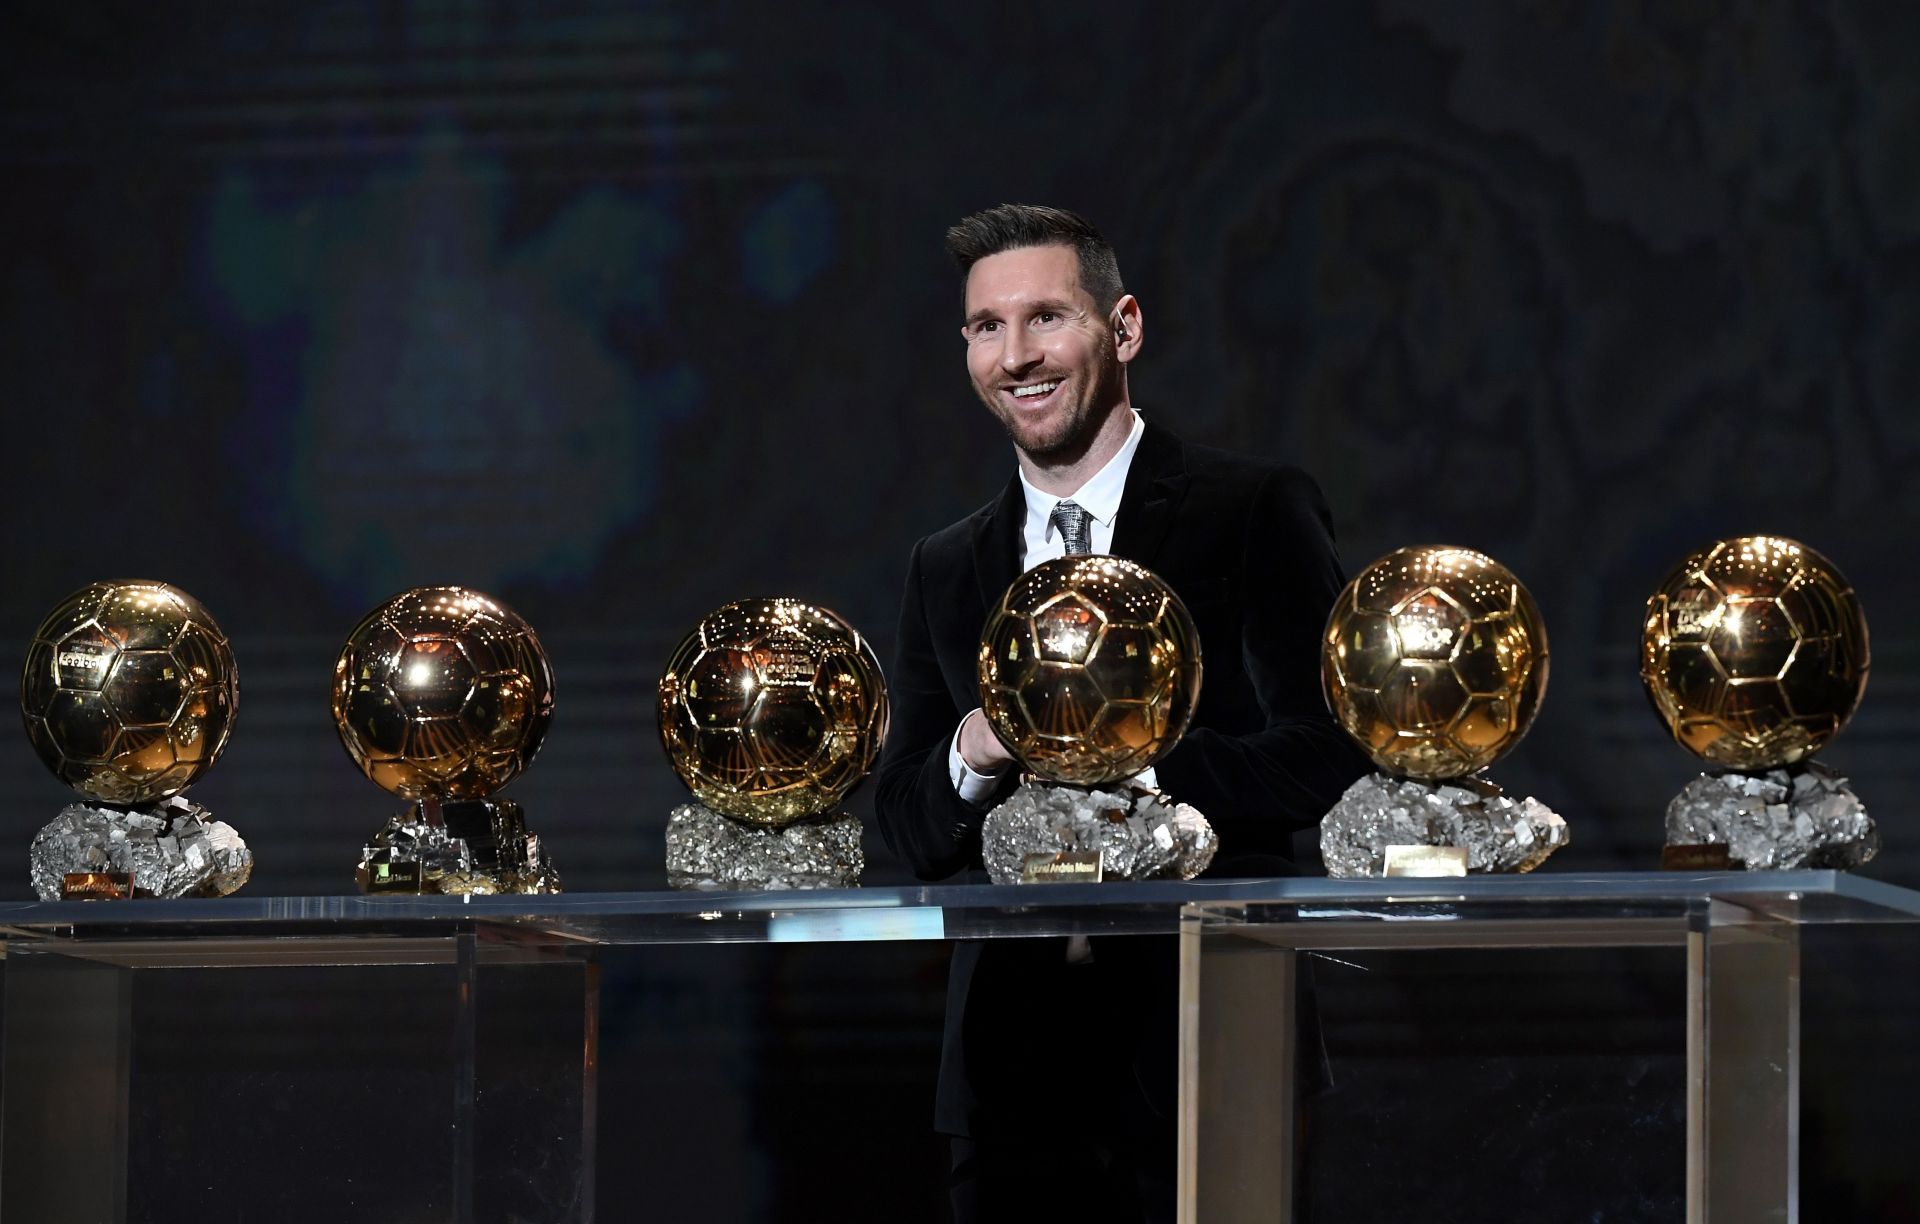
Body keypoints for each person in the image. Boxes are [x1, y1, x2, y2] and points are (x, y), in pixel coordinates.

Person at [872, 203, 1368, 1223]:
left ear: (1125, 328)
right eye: (986, 327)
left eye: (1047, 317)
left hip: (1211, 1047)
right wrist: (977, 745)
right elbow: (913, 828)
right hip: (1005, 1083)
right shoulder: (945, 566)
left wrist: (1121, 765)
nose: (1018, 356)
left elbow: (1331, 751)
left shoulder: (1253, 509)